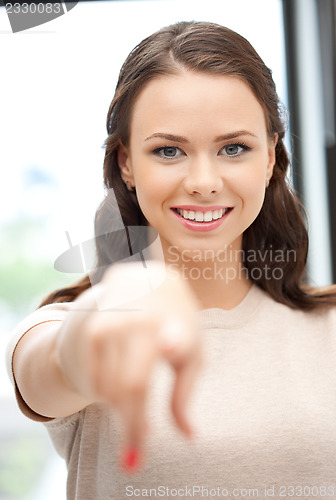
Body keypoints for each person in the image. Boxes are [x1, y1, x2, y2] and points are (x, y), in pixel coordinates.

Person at [6, 20, 336, 500]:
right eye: (168, 150)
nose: (203, 180)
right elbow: (55, 365)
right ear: (126, 164)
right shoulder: (65, 325)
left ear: (268, 158)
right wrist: (99, 322)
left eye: (234, 148)